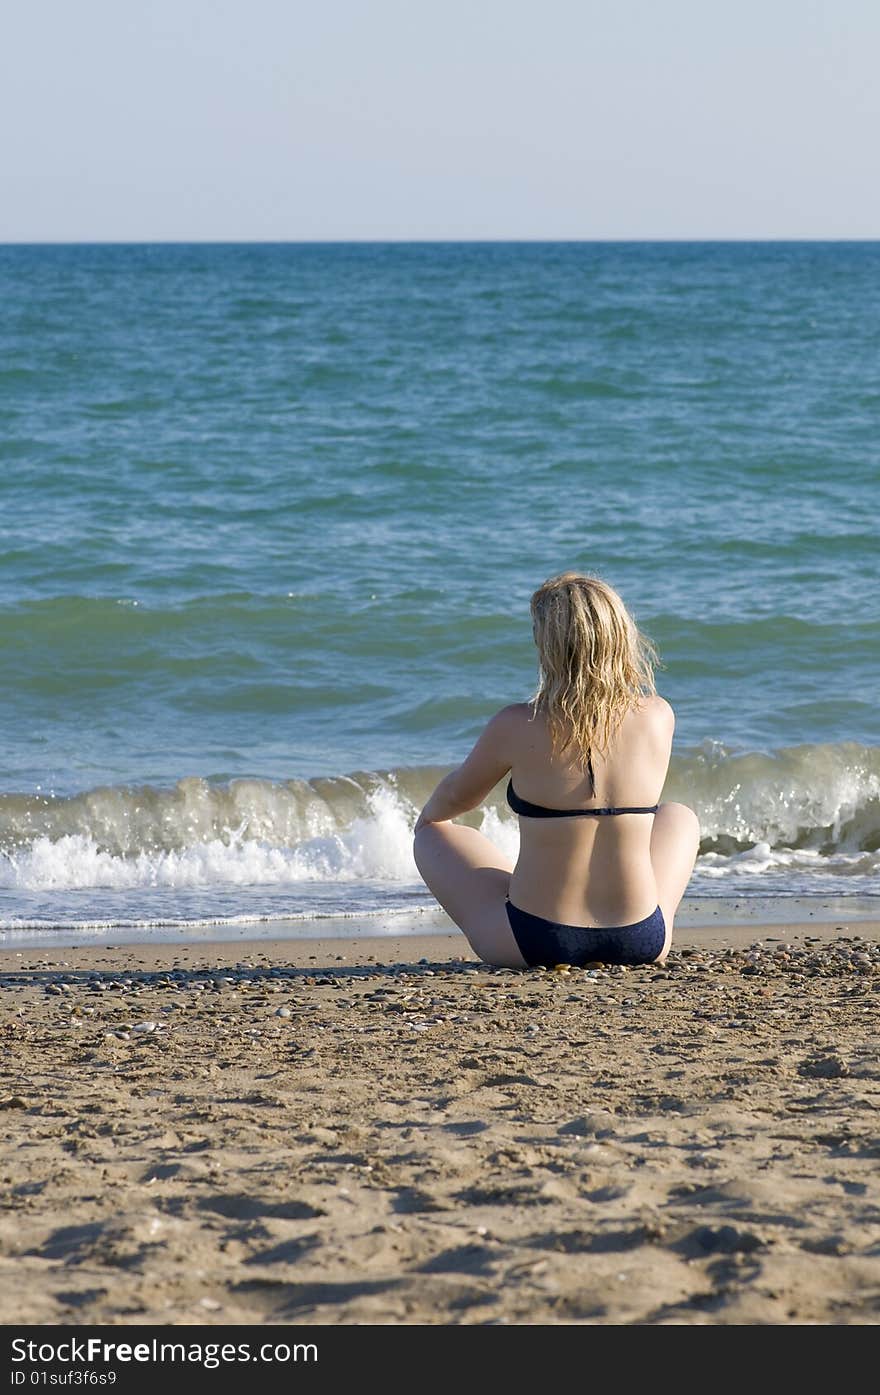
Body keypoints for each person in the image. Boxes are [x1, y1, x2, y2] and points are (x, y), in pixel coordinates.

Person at [413, 572, 700, 969]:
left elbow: (457, 797)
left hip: (536, 941)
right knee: (678, 815)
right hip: (641, 939)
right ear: (621, 636)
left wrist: (427, 818)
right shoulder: (658, 716)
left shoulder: (517, 724)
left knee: (434, 833)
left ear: (547, 645)